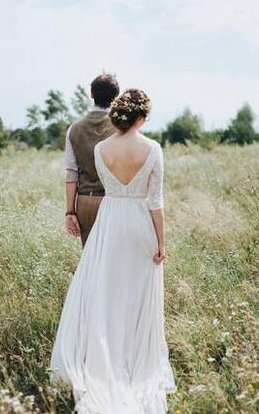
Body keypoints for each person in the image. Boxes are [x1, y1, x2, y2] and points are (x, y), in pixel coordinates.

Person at [51, 89, 176, 413]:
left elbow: (104, 183)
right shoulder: (153, 148)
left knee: (107, 293)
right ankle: (133, 361)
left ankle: (103, 356)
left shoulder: (101, 148)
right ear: (139, 117)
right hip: (138, 225)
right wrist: (161, 243)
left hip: (109, 221)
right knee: (136, 295)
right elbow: (156, 201)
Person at [65, 73, 119, 246]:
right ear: (115, 96)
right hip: (115, 202)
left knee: (91, 262)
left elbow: (72, 174)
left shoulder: (74, 129)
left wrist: (70, 212)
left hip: (85, 203)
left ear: (91, 94)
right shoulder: (121, 128)